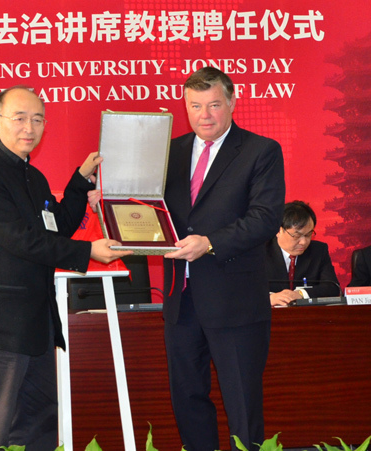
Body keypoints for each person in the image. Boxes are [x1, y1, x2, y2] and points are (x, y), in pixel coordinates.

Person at [0, 85, 131, 451]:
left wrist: (80, 181)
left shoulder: (33, 178)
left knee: (39, 425)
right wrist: (88, 252)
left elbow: (56, 228)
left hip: (36, 322)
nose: (29, 128)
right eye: (19, 118)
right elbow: (19, 239)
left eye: (37, 119)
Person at [162, 67, 285, 451]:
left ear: (232, 102)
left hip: (235, 301)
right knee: (187, 399)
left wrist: (210, 243)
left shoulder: (260, 151)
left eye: (214, 104)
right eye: (195, 106)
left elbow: (265, 218)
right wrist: (112, 201)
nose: (205, 115)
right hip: (180, 300)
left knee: (242, 405)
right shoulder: (169, 152)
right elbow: (149, 208)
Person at [266, 201, 340, 306]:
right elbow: (245, 288)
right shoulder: (259, 252)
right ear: (278, 230)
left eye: (308, 235)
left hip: (307, 314)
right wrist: (268, 298)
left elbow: (333, 288)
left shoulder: (318, 251)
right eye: (297, 236)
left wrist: (300, 294)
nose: (304, 242)